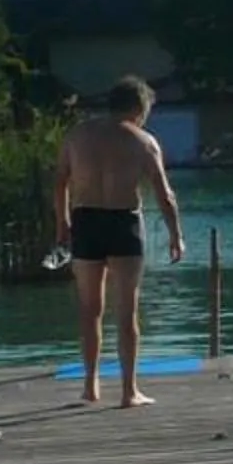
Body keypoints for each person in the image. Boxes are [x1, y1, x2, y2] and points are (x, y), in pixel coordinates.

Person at [52, 76, 186, 408]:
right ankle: (129, 391)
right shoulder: (143, 141)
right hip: (123, 221)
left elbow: (59, 183)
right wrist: (176, 235)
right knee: (126, 312)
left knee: (89, 310)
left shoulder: (77, 136)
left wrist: (62, 222)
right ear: (139, 108)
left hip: (85, 220)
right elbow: (164, 194)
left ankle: (90, 386)